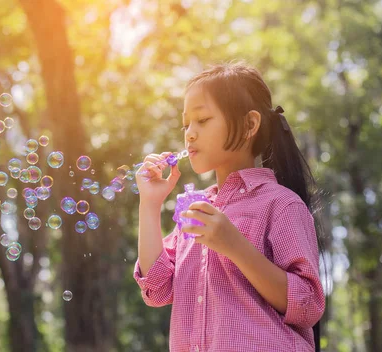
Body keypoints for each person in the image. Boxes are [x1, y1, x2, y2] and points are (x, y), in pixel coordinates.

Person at [134, 60, 326, 351]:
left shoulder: (281, 204)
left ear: (249, 124)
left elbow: (308, 304)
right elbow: (157, 288)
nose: (189, 133)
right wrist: (149, 203)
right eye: (186, 124)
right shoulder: (195, 210)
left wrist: (234, 245)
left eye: (202, 119)